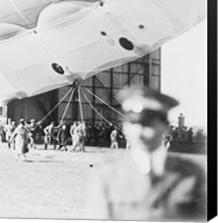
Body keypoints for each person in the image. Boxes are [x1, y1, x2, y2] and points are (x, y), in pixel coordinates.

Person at [87, 86, 206, 221]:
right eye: (133, 124)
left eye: (148, 125)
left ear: (165, 128)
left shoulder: (191, 175)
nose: (139, 133)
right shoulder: (108, 174)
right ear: (125, 126)